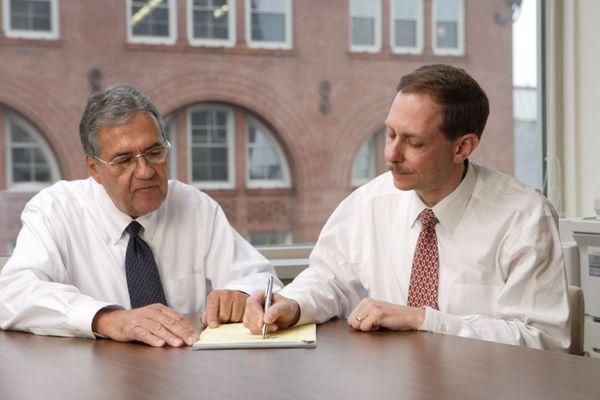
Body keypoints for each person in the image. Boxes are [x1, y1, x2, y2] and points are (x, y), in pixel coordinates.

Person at [243, 64, 570, 352]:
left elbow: (543, 341)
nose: (391, 155)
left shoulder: (523, 217)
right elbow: (330, 278)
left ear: (462, 147)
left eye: (413, 142)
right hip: (391, 382)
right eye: (390, 134)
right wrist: (293, 303)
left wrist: (423, 319)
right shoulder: (371, 201)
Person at [0, 84, 281, 347]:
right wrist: (108, 319)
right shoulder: (55, 210)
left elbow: (261, 279)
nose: (146, 171)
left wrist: (242, 293)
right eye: (123, 160)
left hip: (186, 374)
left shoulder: (195, 207)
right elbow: (13, 294)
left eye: (154, 152)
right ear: (94, 169)